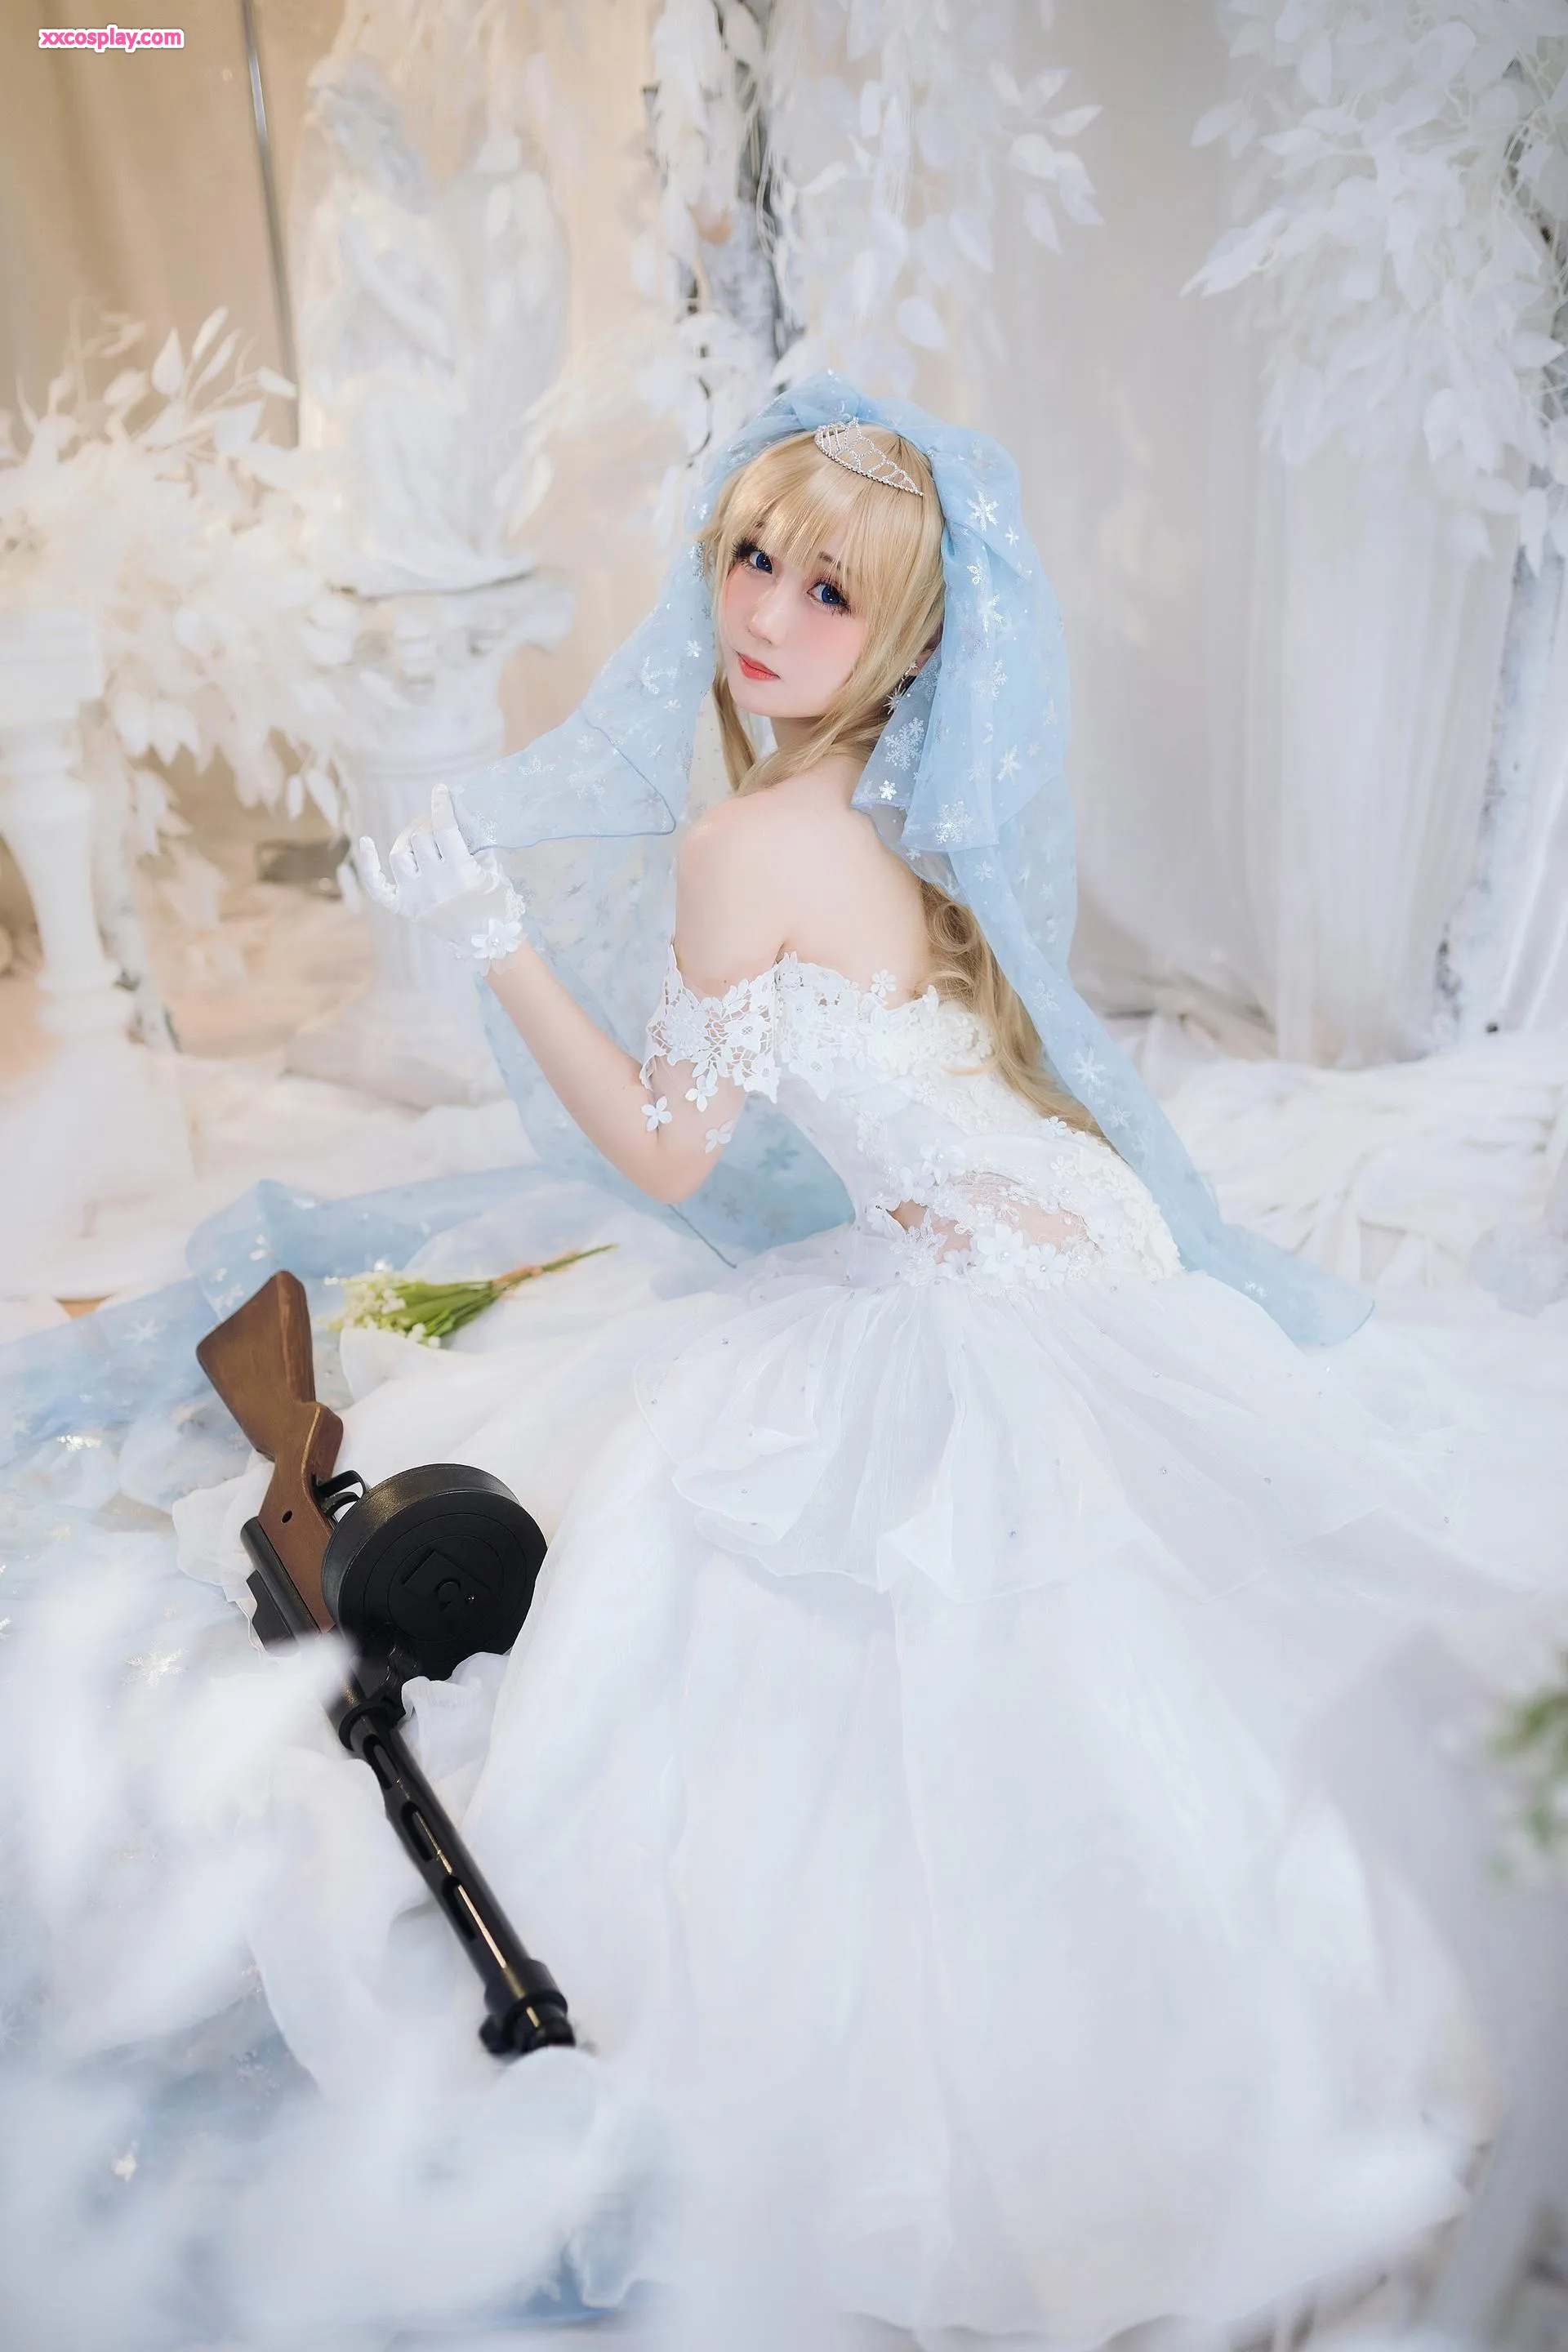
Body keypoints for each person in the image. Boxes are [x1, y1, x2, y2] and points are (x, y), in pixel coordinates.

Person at [1, 384, 1562, 2350]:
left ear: (904, 641)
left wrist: (493, 935)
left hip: (1000, 1284)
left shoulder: (746, 843)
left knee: (879, 1620)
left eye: (832, 591)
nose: (763, 613)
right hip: (1072, 1233)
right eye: (753, 556)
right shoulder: (888, 804)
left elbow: (670, 1155)